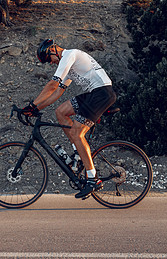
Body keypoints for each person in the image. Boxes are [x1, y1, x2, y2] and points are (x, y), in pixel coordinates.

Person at [22, 39, 116, 199]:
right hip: (92, 94)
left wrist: (31, 104)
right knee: (61, 111)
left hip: (102, 93)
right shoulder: (68, 66)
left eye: (48, 59)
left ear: (53, 50)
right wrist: (36, 109)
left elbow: (52, 85)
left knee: (78, 133)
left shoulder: (70, 55)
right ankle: (78, 157)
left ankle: (92, 179)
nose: (50, 63)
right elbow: (57, 93)